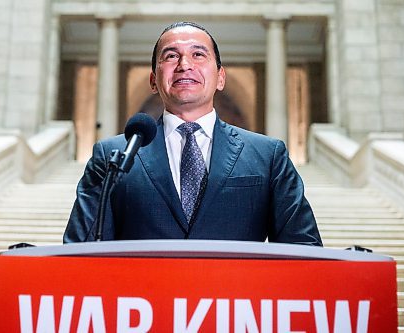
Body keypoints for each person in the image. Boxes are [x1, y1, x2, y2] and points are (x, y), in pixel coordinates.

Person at [64, 22, 322, 246]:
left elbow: (304, 251)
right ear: (154, 80)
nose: (185, 65)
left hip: (234, 300)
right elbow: (80, 253)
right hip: (143, 300)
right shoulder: (112, 157)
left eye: (198, 54)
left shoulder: (268, 156)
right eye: (171, 56)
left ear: (220, 78)